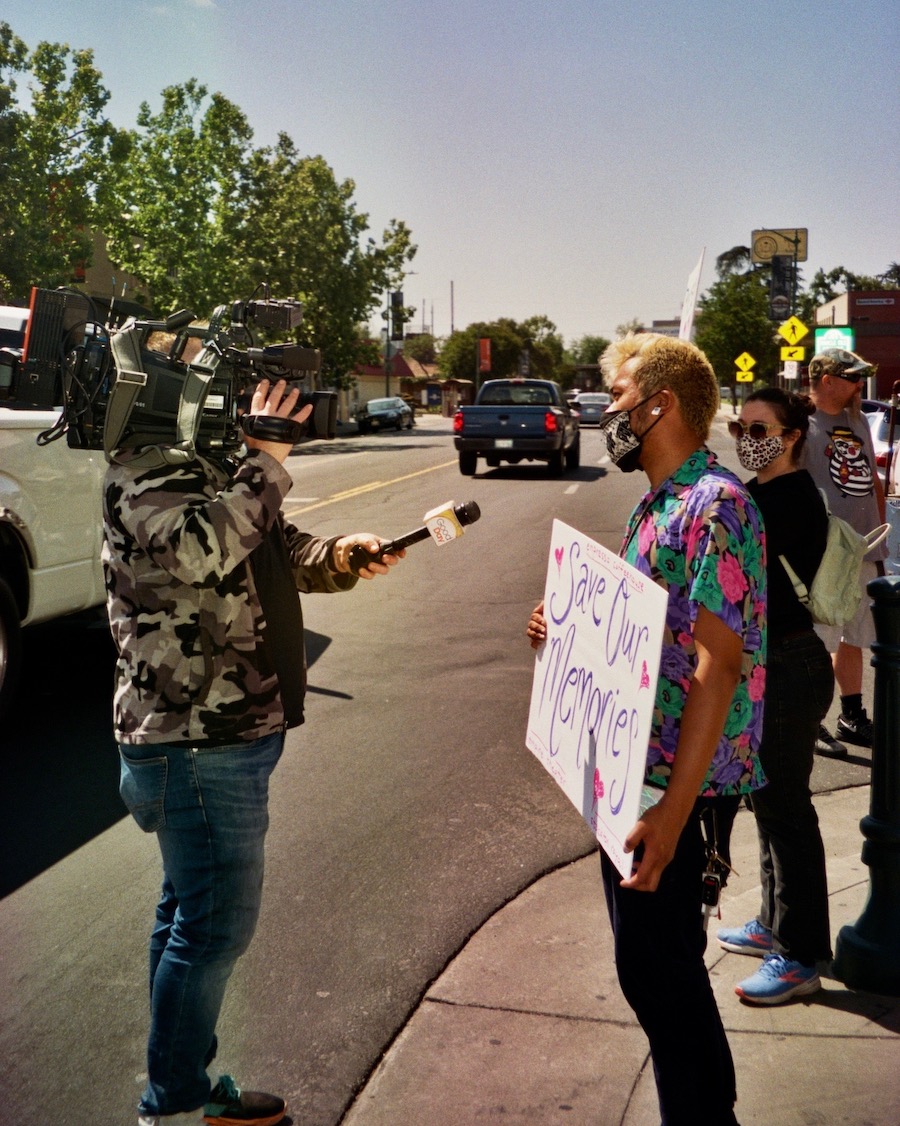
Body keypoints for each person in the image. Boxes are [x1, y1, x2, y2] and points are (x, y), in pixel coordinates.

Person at [104, 378, 403, 1126]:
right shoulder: (143, 468)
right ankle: (174, 1104)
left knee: (189, 914)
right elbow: (205, 549)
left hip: (218, 735)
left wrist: (341, 554)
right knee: (213, 927)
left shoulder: (200, 466)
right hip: (195, 742)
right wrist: (266, 455)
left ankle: (180, 1087)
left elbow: (268, 544)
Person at [527, 334, 766, 1126]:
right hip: (639, 776)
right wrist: (563, 631)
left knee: (660, 974)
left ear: (660, 404)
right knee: (656, 973)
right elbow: (649, 643)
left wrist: (672, 814)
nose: (609, 412)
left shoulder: (718, 505)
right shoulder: (658, 504)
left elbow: (717, 665)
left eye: (621, 396)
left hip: (675, 789)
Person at [716, 388, 833, 1004]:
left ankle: (802, 953)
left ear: (790, 436)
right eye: (739, 425)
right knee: (766, 800)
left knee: (786, 808)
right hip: (775, 664)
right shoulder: (759, 495)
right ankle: (773, 924)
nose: (744, 436)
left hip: (789, 664)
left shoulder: (782, 500)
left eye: (758, 427)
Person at [804, 349, 888, 756]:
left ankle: (851, 715)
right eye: (852, 378)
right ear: (826, 380)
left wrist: (880, 542)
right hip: (824, 551)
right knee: (818, 637)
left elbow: (873, 480)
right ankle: (810, 719)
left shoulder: (858, 421)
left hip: (864, 547)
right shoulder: (800, 424)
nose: (859, 385)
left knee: (855, 634)